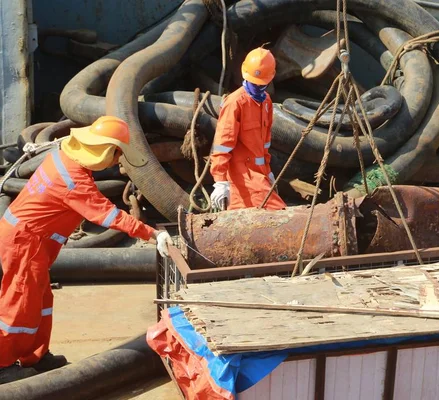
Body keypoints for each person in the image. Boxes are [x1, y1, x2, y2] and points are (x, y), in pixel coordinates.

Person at [0, 116, 174, 384]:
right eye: (117, 154)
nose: (117, 161)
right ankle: (3, 363)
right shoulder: (73, 181)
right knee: (21, 304)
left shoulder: (63, 158)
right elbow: (108, 215)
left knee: (41, 301)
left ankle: (36, 355)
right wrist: (152, 234)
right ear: (104, 151)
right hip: (26, 243)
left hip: (31, 241)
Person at [209, 47, 286, 211]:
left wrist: (268, 173)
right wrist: (220, 181)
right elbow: (222, 144)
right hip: (242, 177)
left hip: (259, 176)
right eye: (254, 82)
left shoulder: (266, 102)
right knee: (278, 212)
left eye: (261, 84)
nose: (257, 87)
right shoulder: (235, 102)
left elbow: (264, 145)